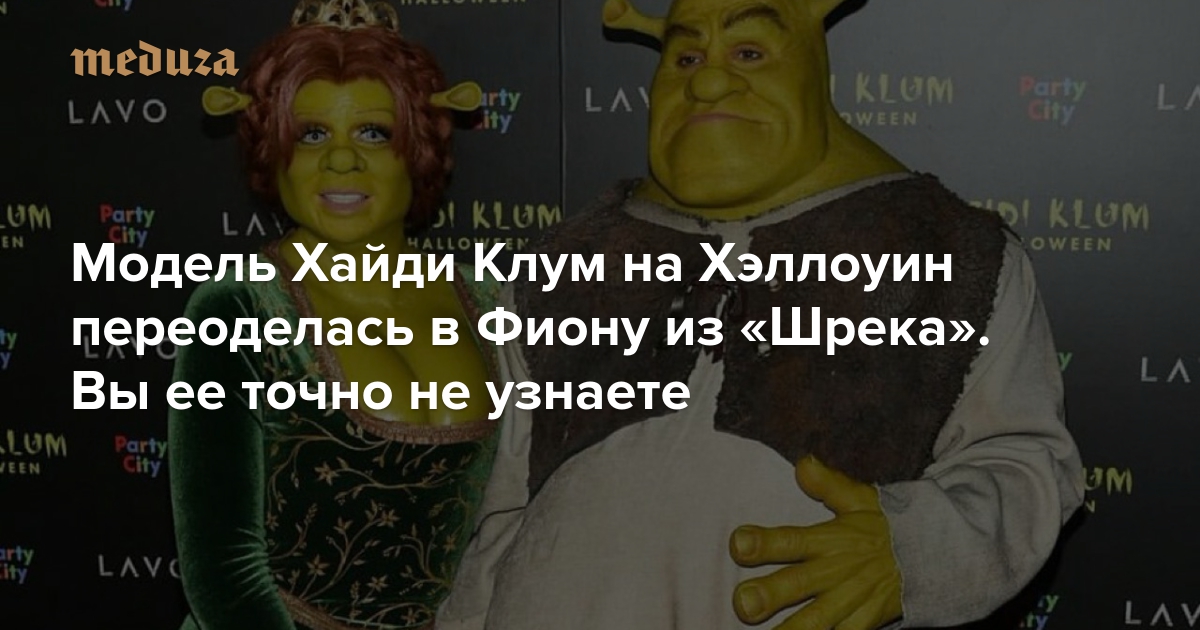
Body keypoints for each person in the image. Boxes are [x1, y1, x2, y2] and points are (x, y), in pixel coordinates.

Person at [436, 0, 1085, 629]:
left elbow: (1021, 461)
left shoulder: (950, 252)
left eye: (748, 51)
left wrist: (916, 549)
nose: (708, 81)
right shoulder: (559, 263)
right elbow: (497, 508)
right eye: (686, 58)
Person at [168, 2, 499, 628]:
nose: (341, 161)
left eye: (373, 133)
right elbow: (224, 575)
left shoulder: (485, 299)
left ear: (418, 149)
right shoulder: (239, 308)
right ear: (275, 155)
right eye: (312, 135)